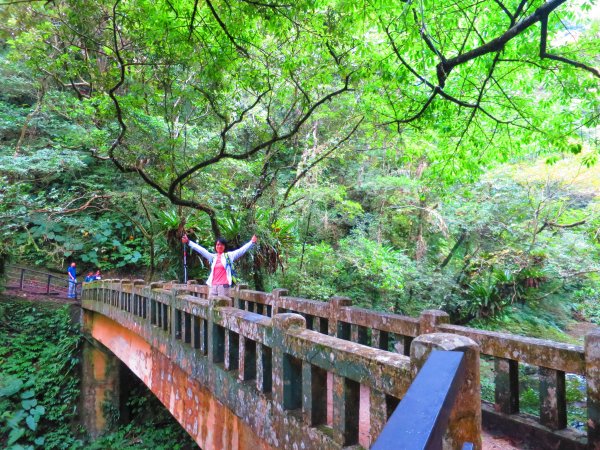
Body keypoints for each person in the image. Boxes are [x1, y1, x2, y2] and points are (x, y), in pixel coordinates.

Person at [181, 234, 257, 298]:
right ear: (215, 246)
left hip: (223, 287)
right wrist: (188, 242)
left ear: (224, 246)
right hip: (213, 286)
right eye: (217, 244)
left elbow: (241, 251)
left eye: (221, 245)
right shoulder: (213, 257)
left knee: (223, 309)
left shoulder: (229, 256)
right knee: (211, 308)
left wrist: (251, 242)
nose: (219, 246)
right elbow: (201, 250)